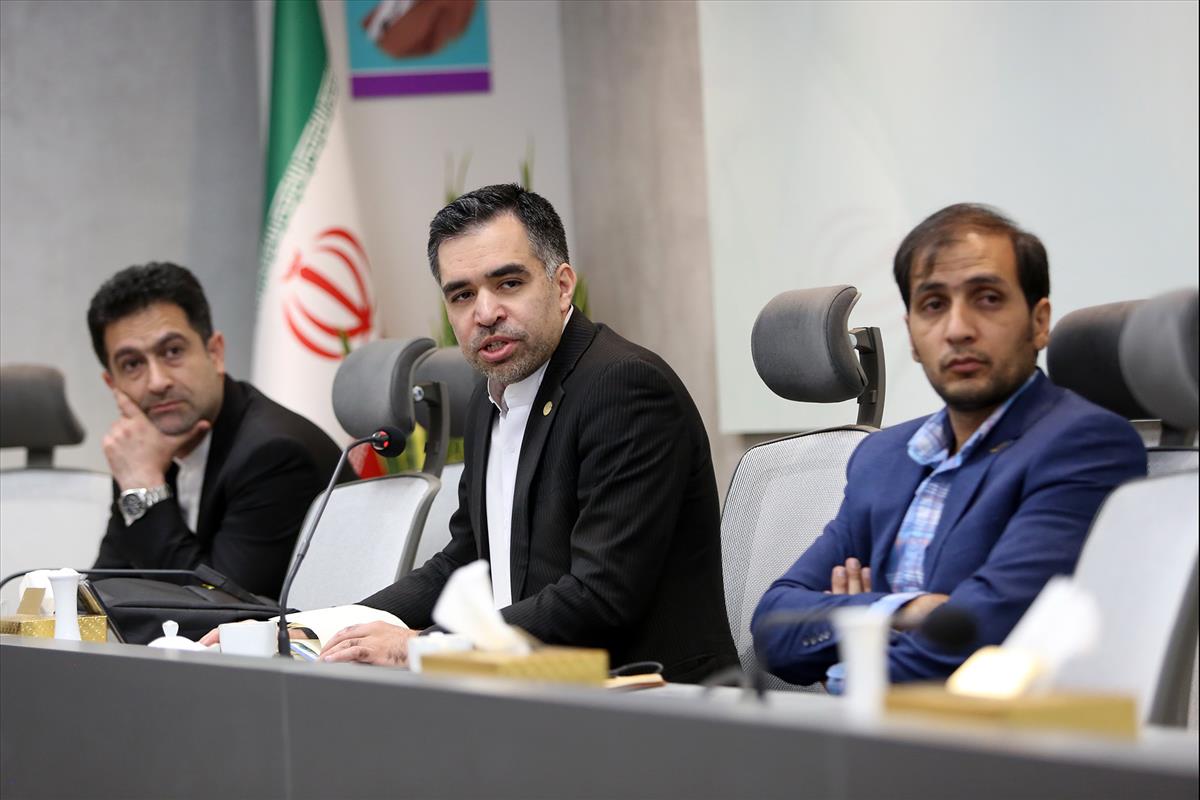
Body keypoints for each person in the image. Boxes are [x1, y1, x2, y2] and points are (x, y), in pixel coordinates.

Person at [317, 184, 738, 682]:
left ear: (562, 286)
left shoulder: (625, 388)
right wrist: (331, 628)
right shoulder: (491, 396)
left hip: (645, 696)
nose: (485, 313)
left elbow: (600, 597)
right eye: (462, 295)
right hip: (534, 688)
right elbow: (467, 560)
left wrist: (422, 648)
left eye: (509, 283)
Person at [752, 204, 1147, 688]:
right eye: (934, 305)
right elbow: (773, 627)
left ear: (1039, 322)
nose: (958, 329)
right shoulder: (881, 457)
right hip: (870, 731)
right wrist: (905, 610)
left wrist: (849, 655)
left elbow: (981, 637)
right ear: (913, 336)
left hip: (995, 733)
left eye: (987, 298)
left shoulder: (1085, 445)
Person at [88, 262, 343, 599]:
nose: (157, 382)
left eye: (173, 352)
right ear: (113, 384)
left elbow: (220, 607)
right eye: (132, 364)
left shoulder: (274, 452)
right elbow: (105, 589)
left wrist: (146, 487)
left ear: (215, 353)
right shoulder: (143, 449)